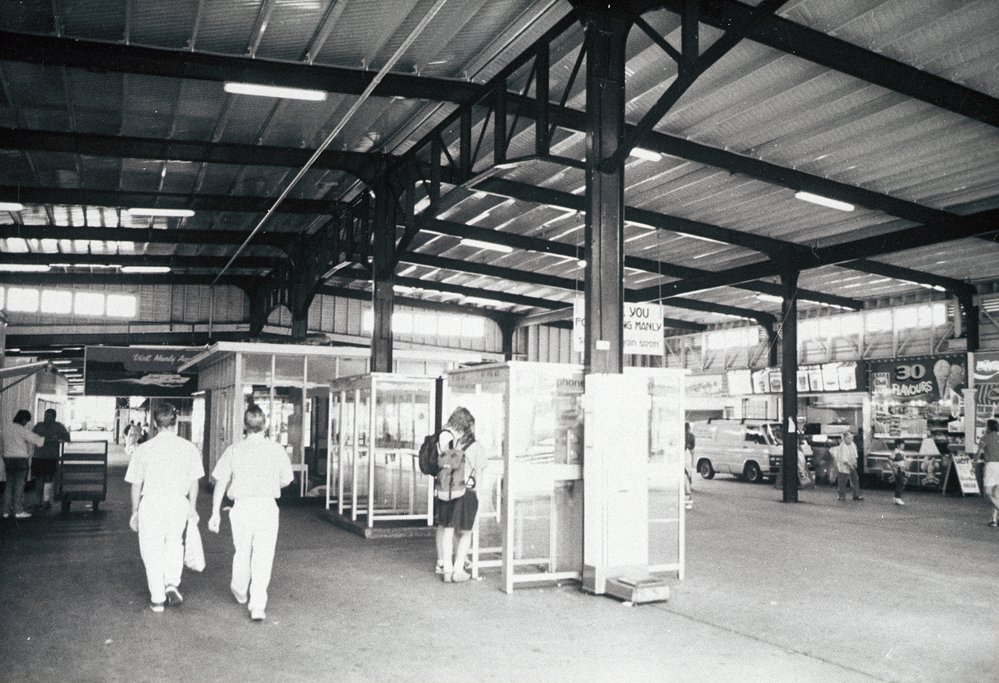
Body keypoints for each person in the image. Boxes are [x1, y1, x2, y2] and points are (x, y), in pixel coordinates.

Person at [208, 404, 293, 621]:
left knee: (242, 551)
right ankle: (257, 606)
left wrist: (215, 512)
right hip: (266, 506)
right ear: (265, 425)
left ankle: (239, 590)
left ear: (244, 426)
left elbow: (221, 482)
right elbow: (286, 480)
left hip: (242, 507)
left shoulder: (234, 450)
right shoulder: (276, 450)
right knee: (263, 555)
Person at [124, 403, 203, 613]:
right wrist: (193, 508)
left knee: (152, 548)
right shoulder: (189, 447)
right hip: (178, 502)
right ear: (175, 423)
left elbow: (136, 483)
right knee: (175, 544)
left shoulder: (144, 449)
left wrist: (135, 511)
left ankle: (157, 598)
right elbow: (195, 481)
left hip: (152, 503)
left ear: (155, 424)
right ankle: (171, 583)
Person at [434, 406, 486, 583]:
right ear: (469, 426)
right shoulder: (476, 446)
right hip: (466, 493)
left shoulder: (448, 443)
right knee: (466, 533)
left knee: (448, 531)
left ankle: (447, 570)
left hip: (447, 492)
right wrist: (480, 497)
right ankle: (458, 570)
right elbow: (479, 475)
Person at [2, 410, 45, 519]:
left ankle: (5, 511)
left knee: (8, 485)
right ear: (23, 419)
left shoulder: (5, 429)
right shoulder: (22, 430)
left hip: (8, 459)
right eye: (26, 421)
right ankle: (18, 510)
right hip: (20, 460)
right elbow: (38, 441)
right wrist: (45, 437)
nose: (26, 423)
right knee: (19, 485)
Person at [32, 408, 71, 508]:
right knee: (39, 478)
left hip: (51, 456)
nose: (46, 418)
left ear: (54, 417)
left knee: (48, 478)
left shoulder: (59, 426)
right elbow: (31, 436)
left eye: (48, 416)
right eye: (45, 416)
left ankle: (45, 501)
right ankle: (38, 501)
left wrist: (58, 438)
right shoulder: (39, 425)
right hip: (38, 456)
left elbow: (67, 437)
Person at [975, 418, 999, 527]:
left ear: (989, 427)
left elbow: (978, 452)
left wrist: (973, 464)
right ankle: (993, 519)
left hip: (991, 466)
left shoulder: (985, 437)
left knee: (988, 492)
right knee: (997, 494)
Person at [831, 431, 863, 502]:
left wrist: (855, 463)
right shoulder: (842, 447)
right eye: (848, 438)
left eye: (851, 438)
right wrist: (849, 465)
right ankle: (841, 496)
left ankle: (856, 494)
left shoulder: (852, 444)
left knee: (855, 480)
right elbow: (843, 459)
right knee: (842, 482)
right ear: (844, 438)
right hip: (844, 467)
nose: (850, 439)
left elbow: (855, 454)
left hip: (852, 464)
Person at [891, 438, 908, 506]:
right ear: (898, 445)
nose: (903, 445)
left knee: (901, 483)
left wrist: (906, 469)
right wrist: (893, 468)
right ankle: (898, 498)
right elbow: (889, 460)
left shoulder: (903, 453)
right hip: (898, 469)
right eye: (902, 444)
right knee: (900, 483)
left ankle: (896, 497)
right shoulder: (895, 452)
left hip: (902, 469)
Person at [684, 422, 695, 510]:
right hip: (687, 455)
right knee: (687, 474)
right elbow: (693, 446)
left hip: (686, 454)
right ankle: (688, 498)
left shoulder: (690, 436)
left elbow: (692, 446)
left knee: (687, 474)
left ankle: (688, 498)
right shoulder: (691, 435)